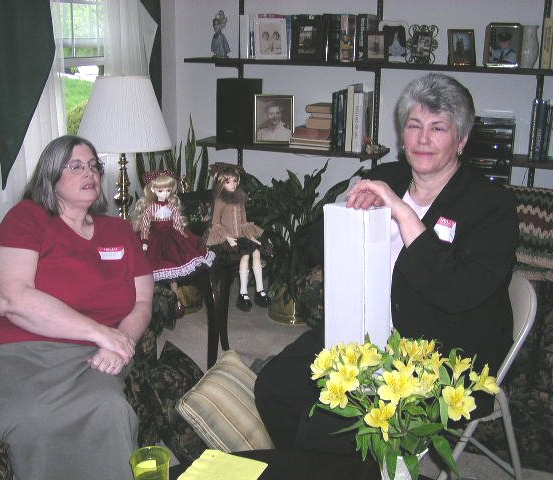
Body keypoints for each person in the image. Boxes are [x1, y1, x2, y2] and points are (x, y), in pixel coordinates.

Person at [254, 73, 518, 453]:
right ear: (402, 135)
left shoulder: (492, 206)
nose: (423, 139)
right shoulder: (386, 177)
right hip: (364, 337)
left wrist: (402, 213)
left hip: (440, 357)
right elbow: (313, 245)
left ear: (461, 140)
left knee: (331, 426)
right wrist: (349, 213)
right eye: (414, 125)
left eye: (438, 128)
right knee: (274, 387)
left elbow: (455, 292)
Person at [0, 135, 154, 480]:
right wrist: (102, 333)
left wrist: (122, 342)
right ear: (50, 177)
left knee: (110, 408)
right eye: (76, 166)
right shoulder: (27, 218)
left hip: (86, 356)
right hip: (5, 350)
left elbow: (143, 300)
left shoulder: (119, 230)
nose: (90, 173)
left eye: (94, 166)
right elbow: (9, 297)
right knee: (35, 418)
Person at [132, 170, 215, 317]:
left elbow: (177, 224)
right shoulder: (150, 209)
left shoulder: (172, 207)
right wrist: (144, 241)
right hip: (154, 239)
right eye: (161, 190)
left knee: (173, 270)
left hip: (171, 237)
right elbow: (145, 227)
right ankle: (148, 302)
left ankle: (176, 300)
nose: (165, 194)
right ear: (153, 190)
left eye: (168, 190)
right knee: (152, 268)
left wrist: (184, 236)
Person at [206, 163, 270, 311]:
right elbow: (215, 223)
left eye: (235, 181)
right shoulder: (220, 200)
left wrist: (252, 237)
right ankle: (243, 293)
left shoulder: (240, 199)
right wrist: (227, 237)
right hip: (227, 236)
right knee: (245, 256)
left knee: (257, 252)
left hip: (242, 235)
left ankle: (260, 290)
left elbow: (244, 222)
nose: (233, 184)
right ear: (221, 183)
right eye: (228, 182)